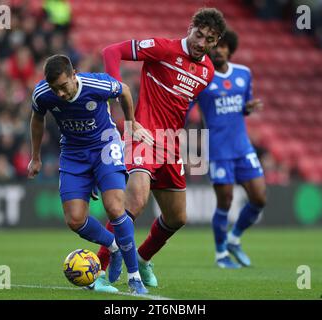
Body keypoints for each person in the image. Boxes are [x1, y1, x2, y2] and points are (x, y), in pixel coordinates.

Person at [95, 8, 227, 288]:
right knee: (135, 202)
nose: (201, 42)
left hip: (171, 144)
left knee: (177, 217)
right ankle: (100, 269)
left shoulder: (208, 71)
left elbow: (180, 104)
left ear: (215, 43)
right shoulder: (163, 48)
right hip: (142, 132)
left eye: (209, 39)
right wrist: (115, 90)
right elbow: (111, 51)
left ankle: (143, 258)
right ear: (190, 27)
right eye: (198, 34)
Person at [27, 54, 153, 294]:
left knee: (115, 208)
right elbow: (37, 118)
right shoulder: (42, 94)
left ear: (74, 75)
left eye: (64, 87)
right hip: (73, 154)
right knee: (74, 220)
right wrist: (36, 157)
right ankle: (113, 247)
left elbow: (124, 90)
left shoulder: (97, 84)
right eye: (55, 89)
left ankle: (135, 276)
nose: (60, 94)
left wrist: (131, 123)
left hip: (105, 146)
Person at [193, 29, 267, 269]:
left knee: (259, 198)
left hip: (242, 147)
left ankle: (234, 239)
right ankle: (221, 254)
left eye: (224, 46)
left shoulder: (244, 73)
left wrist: (248, 107)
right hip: (218, 150)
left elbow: (242, 107)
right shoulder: (202, 77)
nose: (219, 50)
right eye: (215, 46)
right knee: (225, 202)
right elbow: (185, 108)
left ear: (230, 49)